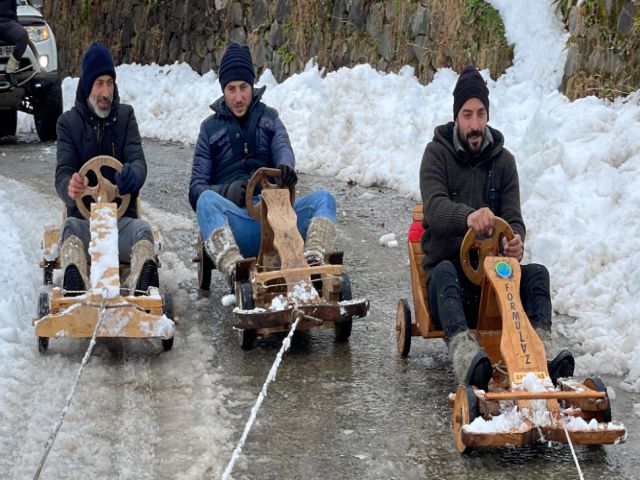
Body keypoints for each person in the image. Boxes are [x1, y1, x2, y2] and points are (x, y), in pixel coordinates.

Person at [419, 65, 574, 391]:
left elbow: (513, 218)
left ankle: (540, 350)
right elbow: (434, 210)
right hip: (451, 287)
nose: (474, 125)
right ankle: (465, 356)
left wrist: (515, 239)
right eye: (466, 115)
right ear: (456, 117)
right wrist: (468, 217)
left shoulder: (504, 163)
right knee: (444, 270)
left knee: (536, 275)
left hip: (494, 283)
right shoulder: (436, 155)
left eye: (480, 114)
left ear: (487, 115)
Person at [190, 43, 337, 289]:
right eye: (231, 89)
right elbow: (195, 190)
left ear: (252, 85)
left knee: (325, 199)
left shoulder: (269, 118)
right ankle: (236, 269)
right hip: (240, 223)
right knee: (206, 200)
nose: (238, 97)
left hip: (279, 221)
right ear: (223, 91)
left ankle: (312, 261)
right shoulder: (209, 129)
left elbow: (282, 146)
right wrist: (226, 192)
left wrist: (285, 167)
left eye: (243, 88)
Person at [55, 42, 157, 296]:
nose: (105, 91)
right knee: (69, 230)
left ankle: (141, 283)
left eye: (109, 83)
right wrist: (71, 185)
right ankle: (75, 280)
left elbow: (138, 162)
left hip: (120, 221)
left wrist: (131, 175)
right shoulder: (68, 123)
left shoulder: (125, 117)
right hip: (84, 221)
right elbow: (63, 172)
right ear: (88, 85)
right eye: (99, 83)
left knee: (143, 231)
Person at [0, 0, 29, 86]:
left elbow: (14, 11)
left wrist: (17, 26)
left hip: (8, 23)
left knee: (23, 35)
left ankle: (10, 69)